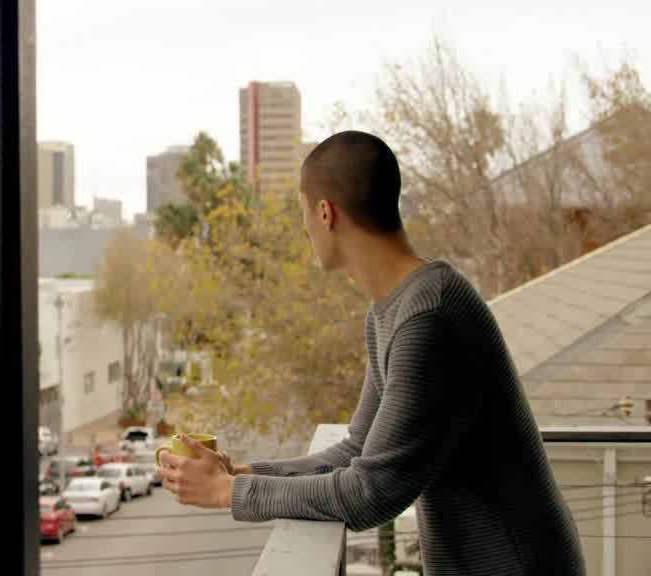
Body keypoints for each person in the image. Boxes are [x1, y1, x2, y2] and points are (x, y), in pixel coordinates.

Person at [156, 131, 583, 575]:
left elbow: (371, 492)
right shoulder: (393, 309)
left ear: (325, 213)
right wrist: (243, 475)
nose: (305, 229)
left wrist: (226, 493)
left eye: (303, 214)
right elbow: (358, 449)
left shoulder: (430, 316)